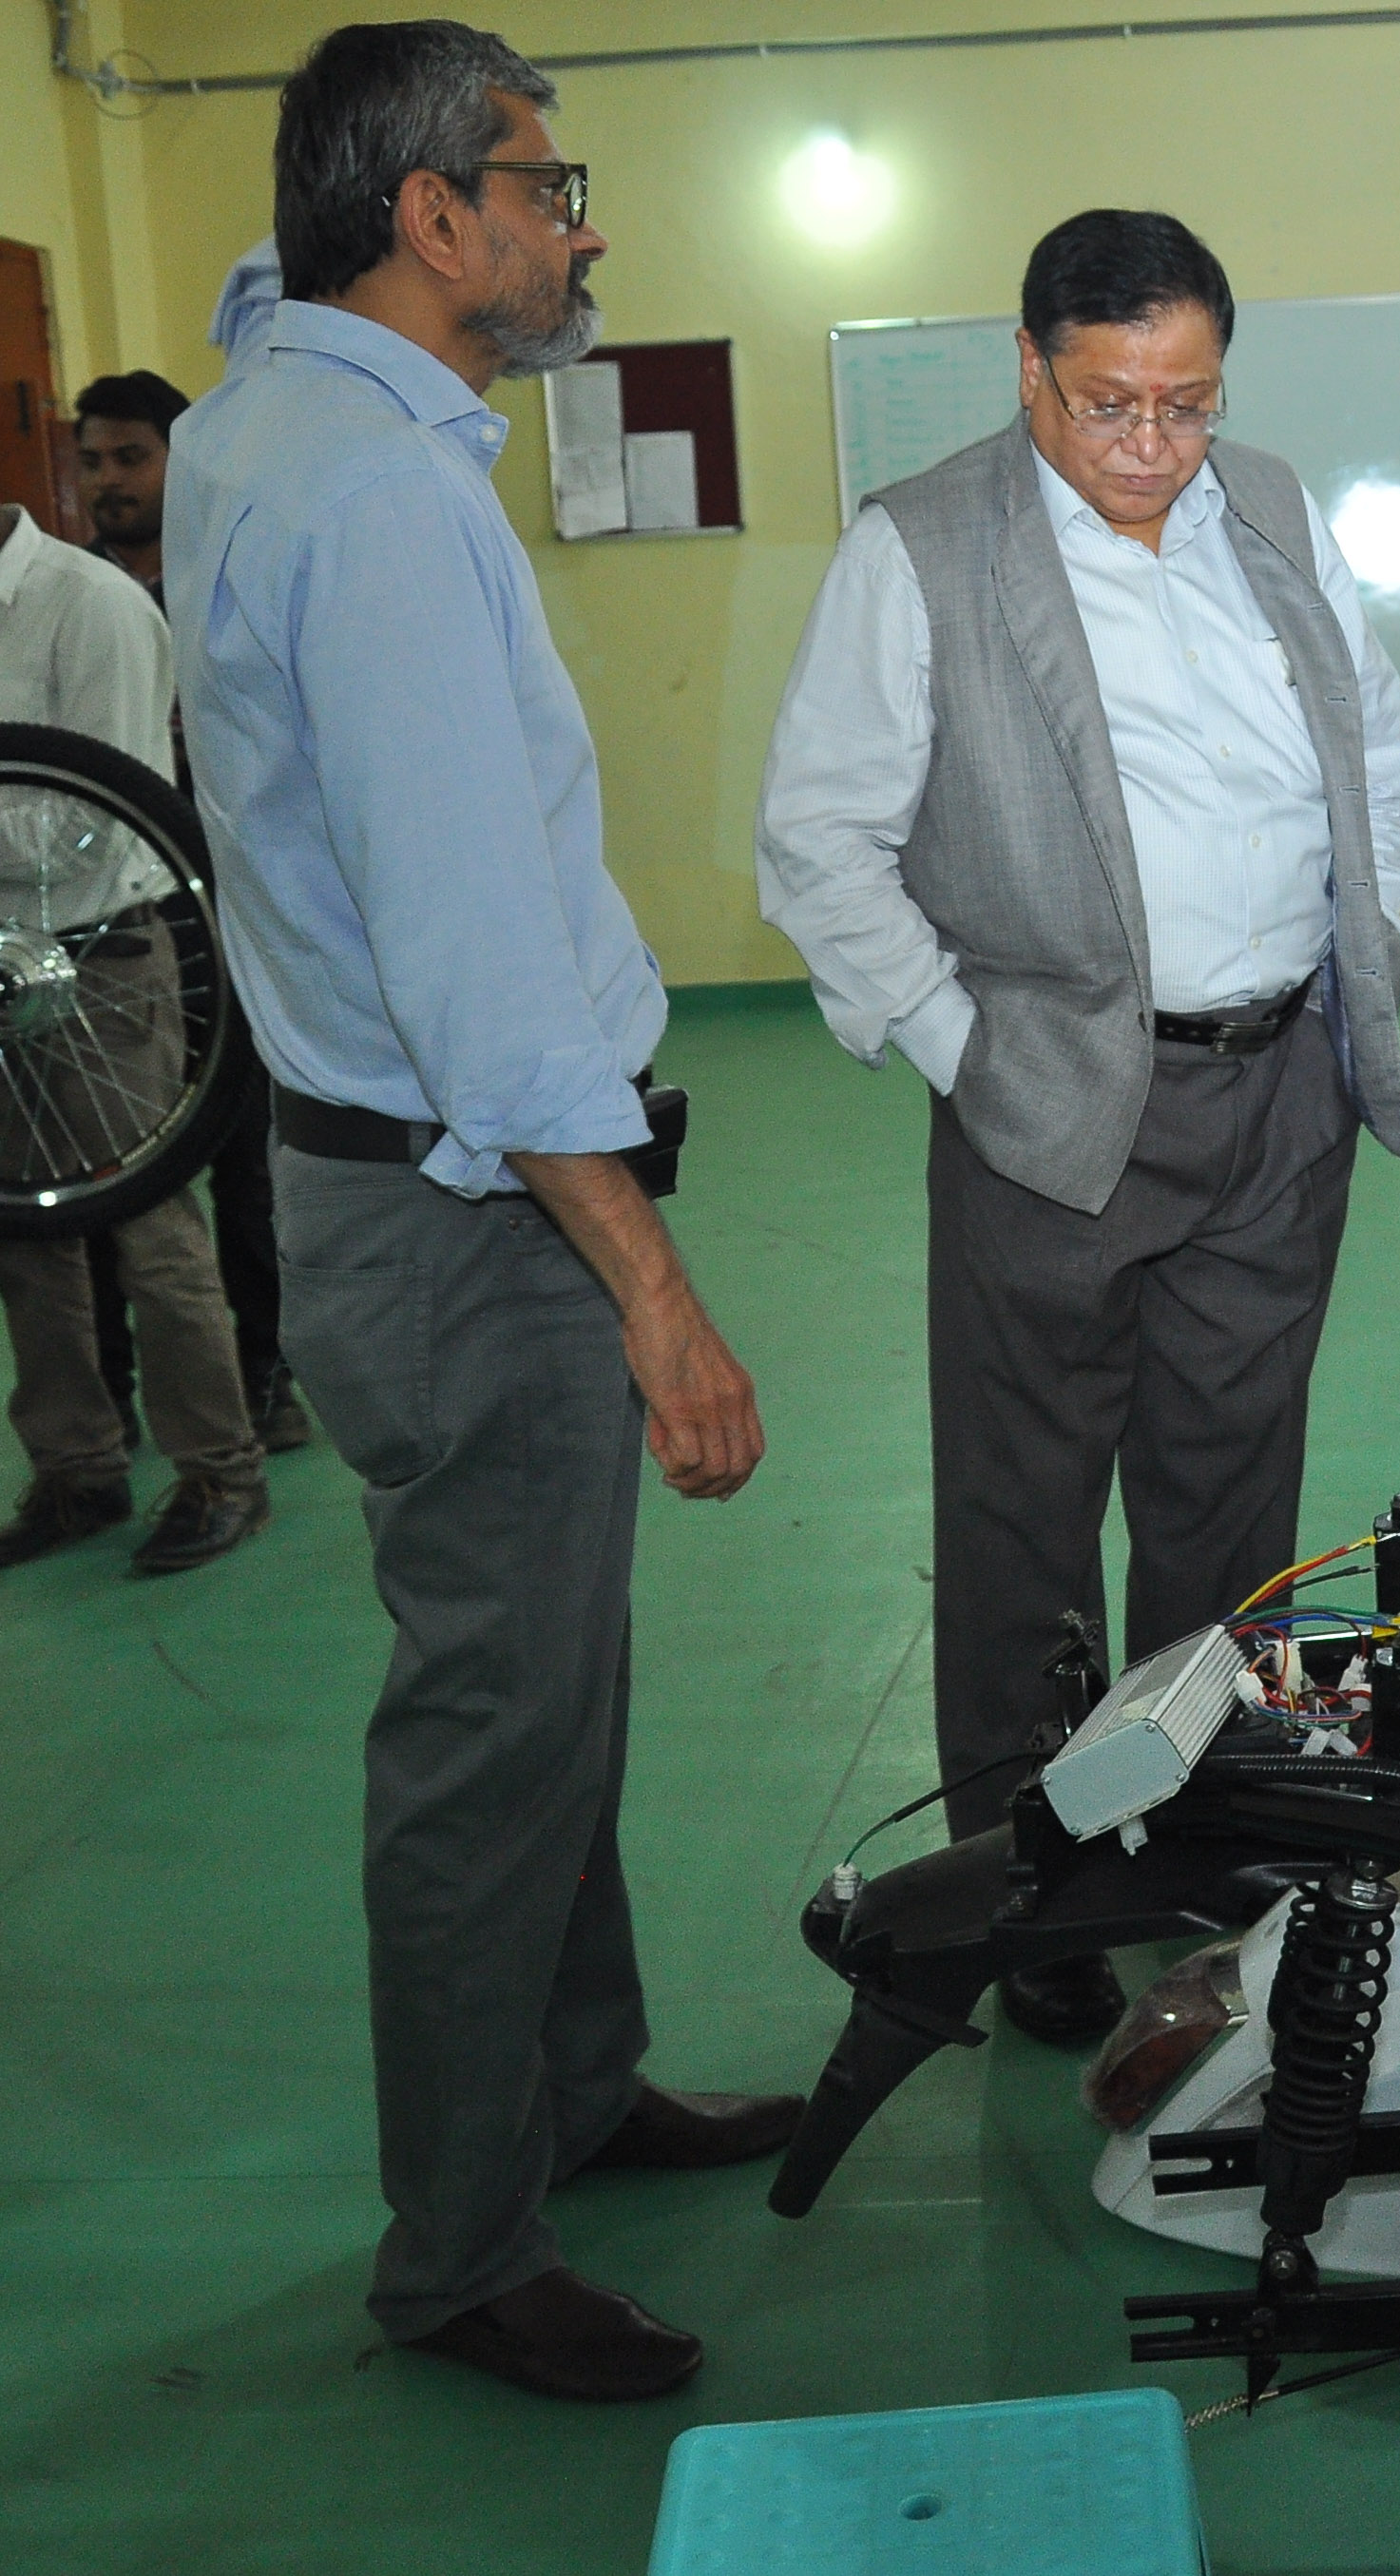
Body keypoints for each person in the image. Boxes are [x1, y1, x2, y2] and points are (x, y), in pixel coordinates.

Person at [165, 20, 794, 2403]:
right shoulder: (383, 505)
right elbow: (473, 966)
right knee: (487, 1738)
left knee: (556, 1699)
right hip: (471, 1219)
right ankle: (461, 2246)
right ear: (426, 222)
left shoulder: (271, 401)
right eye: (545, 183)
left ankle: (582, 2079)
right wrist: (652, 1287)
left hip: (376, 1189)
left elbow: (272, 260)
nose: (581, 223)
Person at [757, 208, 1400, 2049]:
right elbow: (820, 840)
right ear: (1032, 367)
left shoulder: (1270, 505)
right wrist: (971, 1051)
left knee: (1228, 1503)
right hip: (1053, 1098)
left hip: (1277, 1087)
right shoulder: (923, 544)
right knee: (1023, 1507)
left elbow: (1370, 744)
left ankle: (1197, 1835)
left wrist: (1367, 942)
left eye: (1186, 402)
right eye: (1110, 401)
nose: (1150, 443)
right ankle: (1023, 1881)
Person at [0, 490, 273, 1574]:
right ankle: (77, 1469)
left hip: (99, 956)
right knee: (25, 1236)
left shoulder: (88, 605)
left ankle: (221, 1472)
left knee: (151, 1231)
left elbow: (87, 816)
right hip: (3, 966)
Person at [70, 368, 310, 1460]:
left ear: (180, 461)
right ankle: (111, 1404)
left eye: (133, 457)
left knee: (243, 1167)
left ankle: (264, 1380)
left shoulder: (231, 586)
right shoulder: (62, 604)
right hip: (98, 930)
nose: (110, 481)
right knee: (100, 1184)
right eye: (94, 460)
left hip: (228, 922)